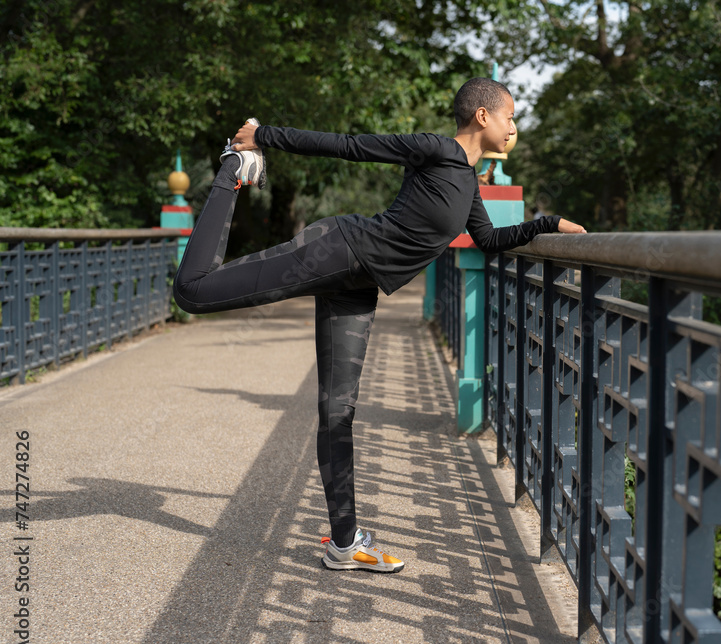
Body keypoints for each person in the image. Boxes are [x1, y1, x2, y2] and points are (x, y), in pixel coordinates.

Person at [173, 77, 586, 574]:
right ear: (483, 116)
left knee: (338, 413)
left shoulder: (468, 183)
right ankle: (234, 169)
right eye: (510, 117)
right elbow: (350, 147)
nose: (514, 127)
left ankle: (343, 544)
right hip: (336, 249)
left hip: (357, 284)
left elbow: (489, 240)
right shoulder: (436, 150)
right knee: (193, 291)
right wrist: (263, 137)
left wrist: (548, 223)